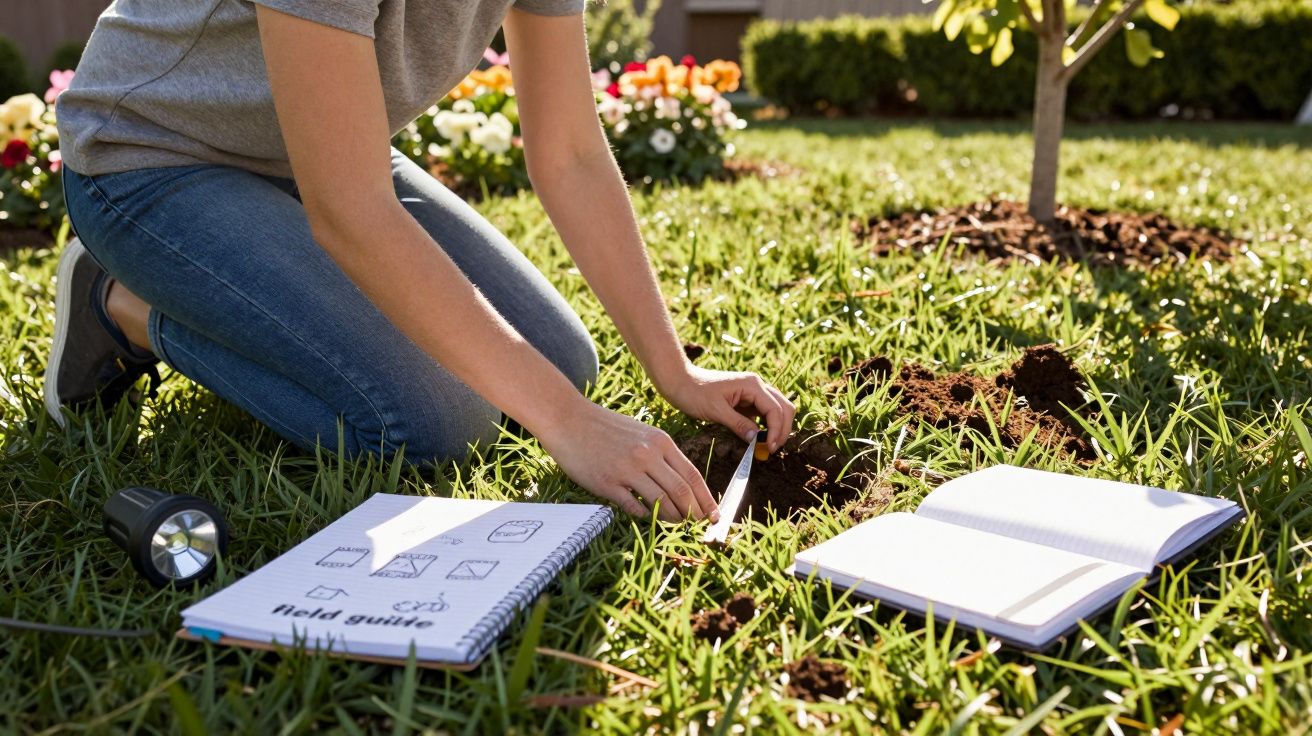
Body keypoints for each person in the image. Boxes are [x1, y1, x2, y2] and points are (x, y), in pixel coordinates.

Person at [47, 0, 795, 522]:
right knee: (436, 422)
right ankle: (120, 306)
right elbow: (352, 212)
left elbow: (568, 154)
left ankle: (235, 276)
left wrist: (674, 369)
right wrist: (568, 424)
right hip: (149, 161)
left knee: (561, 364)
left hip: (318, 157)